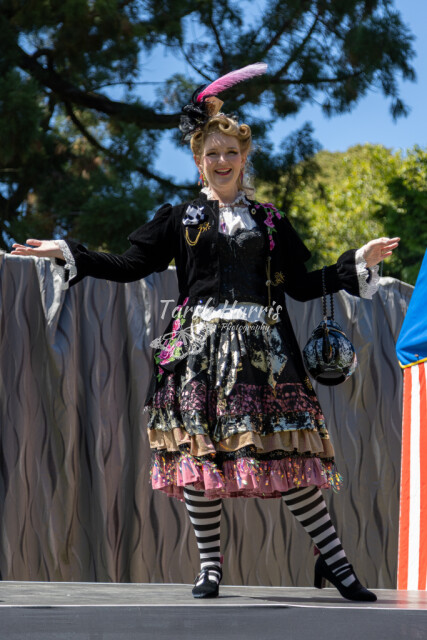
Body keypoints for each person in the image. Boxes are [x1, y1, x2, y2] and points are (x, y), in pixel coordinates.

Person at [11, 64, 399, 602]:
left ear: (245, 158)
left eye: (231, 153)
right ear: (199, 160)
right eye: (212, 153)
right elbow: (130, 265)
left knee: (287, 458)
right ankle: (209, 567)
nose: (222, 161)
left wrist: (356, 262)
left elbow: (302, 286)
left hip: (265, 361)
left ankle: (335, 563)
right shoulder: (182, 217)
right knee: (199, 461)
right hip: (196, 358)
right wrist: (68, 251)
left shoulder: (269, 221)